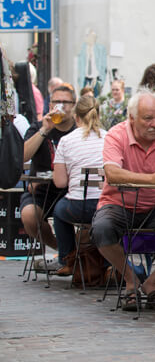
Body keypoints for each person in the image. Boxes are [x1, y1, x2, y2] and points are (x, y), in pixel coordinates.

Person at [90, 88, 155, 311]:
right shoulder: (116, 135)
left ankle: (151, 283)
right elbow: (113, 174)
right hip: (119, 204)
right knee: (101, 229)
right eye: (148, 118)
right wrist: (152, 179)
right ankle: (131, 280)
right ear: (132, 118)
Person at [20, 83, 77, 270]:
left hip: (72, 189)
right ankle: (64, 251)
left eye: (66, 102)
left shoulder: (79, 130)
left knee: (95, 215)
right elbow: (22, 157)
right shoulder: (39, 127)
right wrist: (44, 130)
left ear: (74, 105)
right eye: (57, 102)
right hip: (42, 189)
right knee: (29, 215)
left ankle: (76, 254)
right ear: (50, 104)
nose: (61, 106)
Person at [51, 94, 106, 276]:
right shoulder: (110, 138)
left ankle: (67, 259)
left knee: (58, 211)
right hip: (105, 206)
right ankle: (109, 263)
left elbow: (60, 183)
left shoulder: (66, 141)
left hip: (78, 207)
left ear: (76, 117)